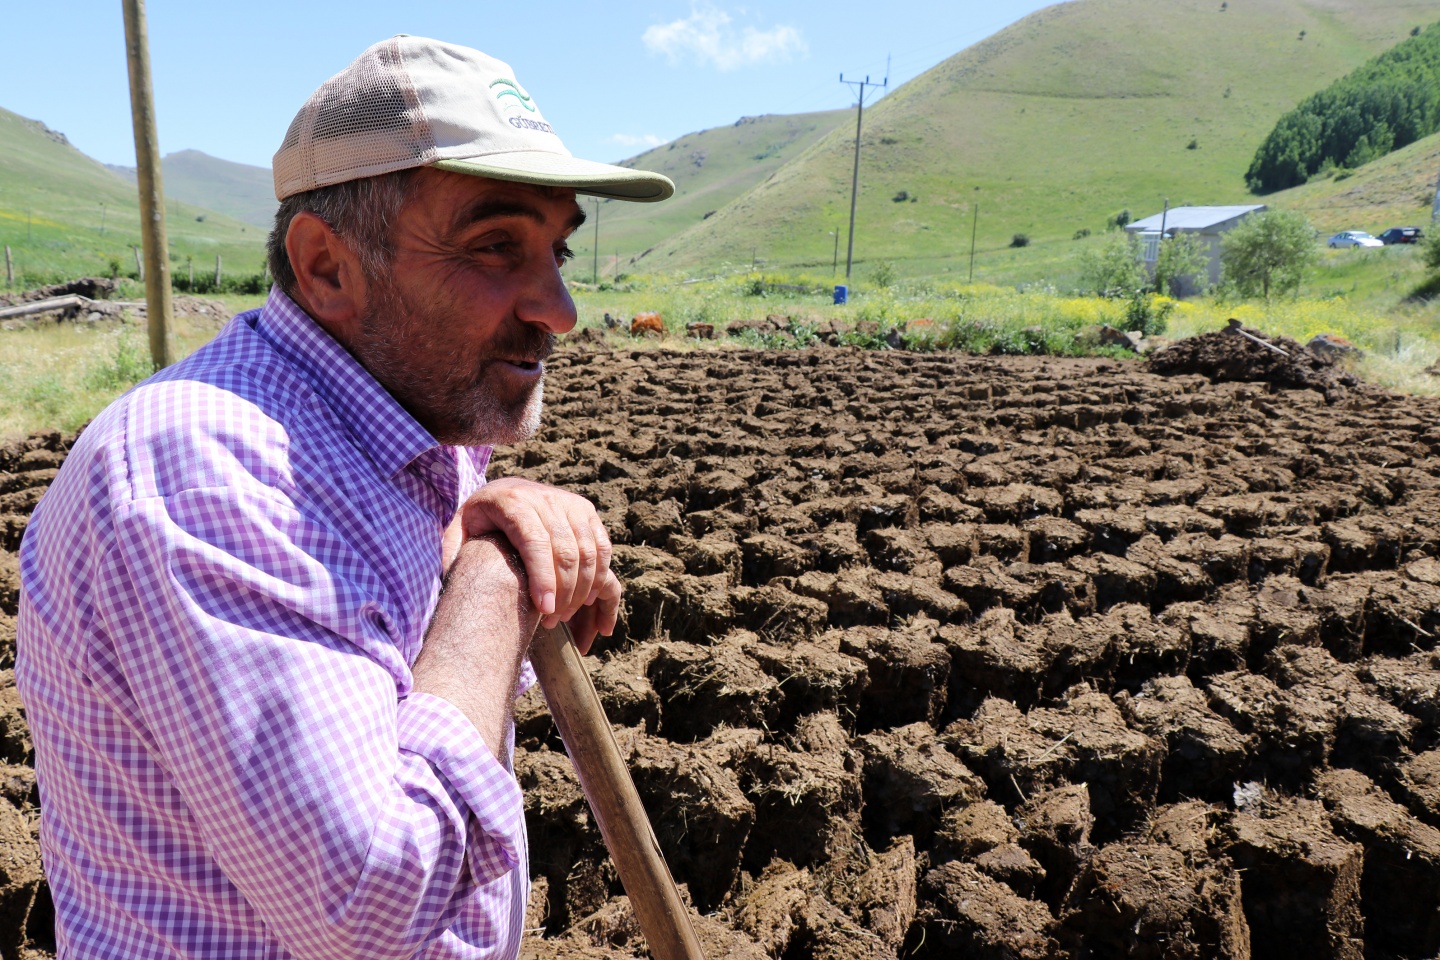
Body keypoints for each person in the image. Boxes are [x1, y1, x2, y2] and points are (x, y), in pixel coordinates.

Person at [16, 36, 672, 959]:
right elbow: (369, 908)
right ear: (326, 265)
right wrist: (492, 582)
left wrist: (495, 531)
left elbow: (418, 689)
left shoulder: (414, 425)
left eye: (555, 251)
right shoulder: (206, 468)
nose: (558, 307)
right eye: (495, 246)